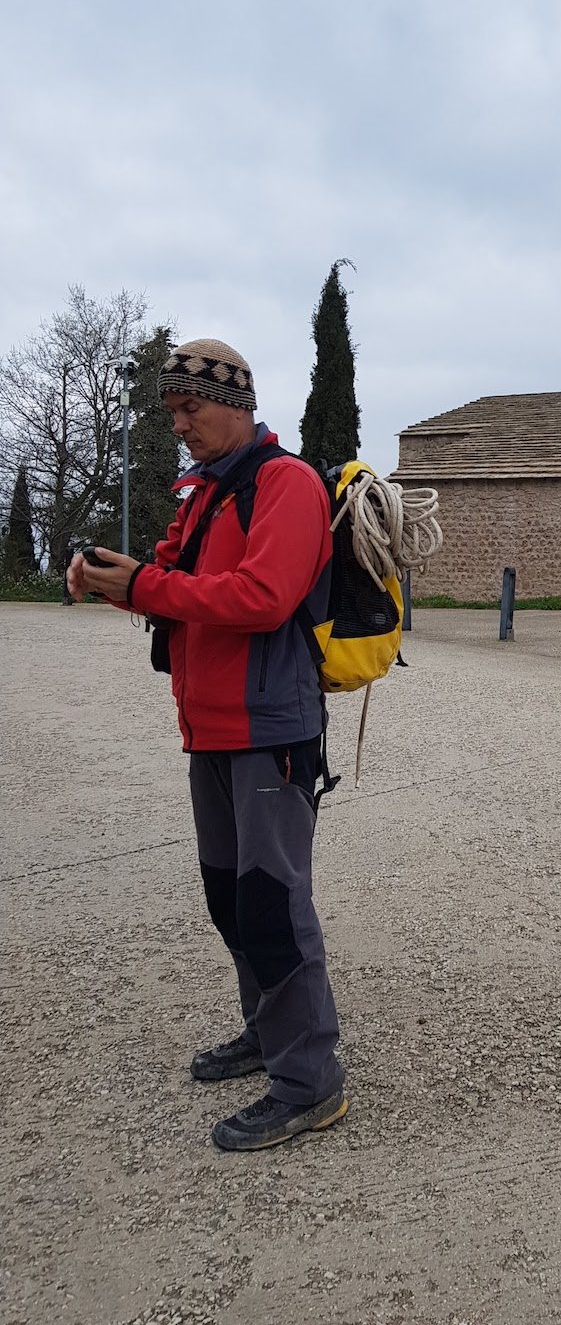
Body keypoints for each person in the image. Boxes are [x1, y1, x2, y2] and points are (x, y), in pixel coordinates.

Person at [69, 338, 347, 1151]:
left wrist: (147, 586)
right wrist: (116, 582)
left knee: (272, 905)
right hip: (212, 730)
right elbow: (178, 594)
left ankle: (310, 1083)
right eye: (172, 412)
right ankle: (268, 1034)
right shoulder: (204, 494)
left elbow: (262, 599)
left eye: (189, 408)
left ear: (235, 402)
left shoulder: (284, 484)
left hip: (272, 733)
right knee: (231, 899)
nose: (179, 425)